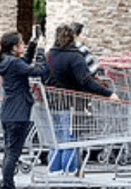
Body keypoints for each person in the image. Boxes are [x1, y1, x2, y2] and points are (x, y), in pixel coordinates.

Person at [46, 23, 117, 173]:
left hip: (51, 104)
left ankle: (55, 171)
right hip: (71, 104)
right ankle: (70, 171)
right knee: (70, 139)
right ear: (73, 38)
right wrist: (108, 93)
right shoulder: (75, 57)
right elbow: (86, 81)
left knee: (56, 138)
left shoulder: (50, 55)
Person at [0, 29, 48, 189]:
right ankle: (8, 185)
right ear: (14, 47)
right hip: (19, 112)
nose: (23, 45)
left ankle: (6, 183)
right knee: (13, 153)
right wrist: (41, 51)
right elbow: (39, 71)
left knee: (9, 151)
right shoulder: (14, 63)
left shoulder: (6, 61)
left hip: (8, 111)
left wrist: (33, 45)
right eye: (21, 43)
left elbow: (24, 63)